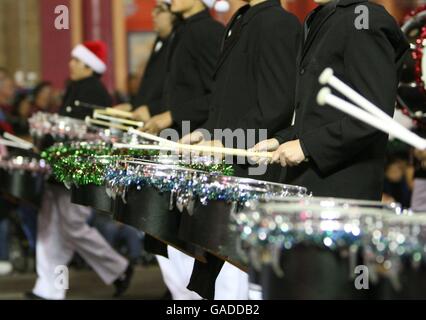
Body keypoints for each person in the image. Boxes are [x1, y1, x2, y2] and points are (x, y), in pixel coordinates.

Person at [180, 0, 300, 299]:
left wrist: (228, 141)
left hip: (254, 169)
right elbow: (227, 100)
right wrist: (205, 132)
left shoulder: (279, 23)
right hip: (230, 166)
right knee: (221, 278)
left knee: (241, 279)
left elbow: (276, 103)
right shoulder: (242, 20)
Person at [252, 0, 409, 201]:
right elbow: (319, 114)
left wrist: (307, 147)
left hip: (341, 191)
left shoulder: (364, 17)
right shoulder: (325, 16)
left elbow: (373, 114)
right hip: (310, 184)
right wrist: (282, 139)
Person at [29, 41, 133, 300]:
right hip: (61, 168)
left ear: (89, 65)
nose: (70, 64)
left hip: (78, 171)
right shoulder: (76, 88)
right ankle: (48, 289)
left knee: (72, 226)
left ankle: (118, 267)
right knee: (49, 227)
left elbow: (86, 135)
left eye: (76, 61)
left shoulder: (94, 92)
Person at [114, 0, 179, 123]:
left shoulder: (179, 43)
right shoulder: (161, 41)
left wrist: (152, 109)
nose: (153, 14)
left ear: (174, 14)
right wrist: (132, 106)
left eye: (160, 10)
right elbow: (151, 90)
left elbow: (180, 92)